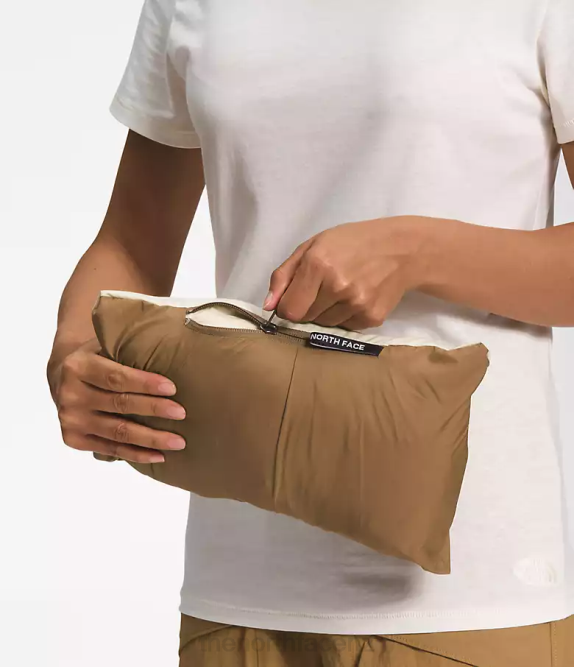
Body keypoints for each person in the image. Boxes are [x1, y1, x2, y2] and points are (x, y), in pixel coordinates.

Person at [47, 0, 574, 664]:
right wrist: (72, 353)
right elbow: (130, 240)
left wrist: (419, 251)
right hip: (236, 593)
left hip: (470, 596)